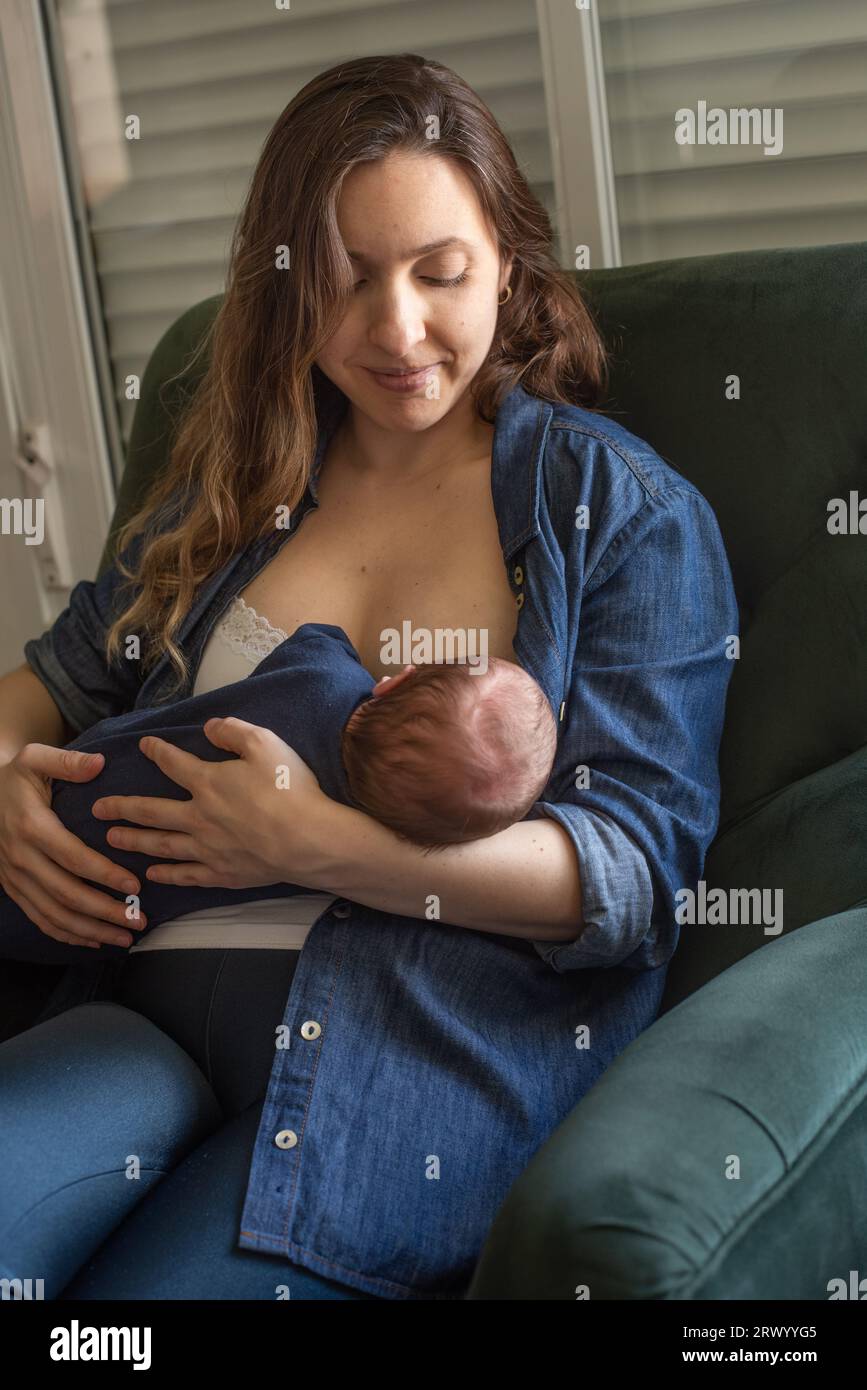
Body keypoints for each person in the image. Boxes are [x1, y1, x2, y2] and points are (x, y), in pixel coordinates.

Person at [0, 53, 739, 1301]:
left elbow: (632, 874)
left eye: (440, 274)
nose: (397, 332)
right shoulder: (238, 488)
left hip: (398, 1074)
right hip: (134, 1016)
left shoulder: (618, 512)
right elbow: (59, 675)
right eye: (347, 283)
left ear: (507, 261)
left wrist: (319, 843)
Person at [0, 621, 557, 963]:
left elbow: (320, 634)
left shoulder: (321, 680)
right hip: (74, 924)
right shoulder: (335, 841)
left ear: (397, 680)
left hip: (67, 791)